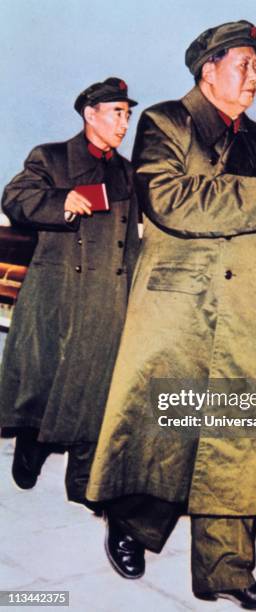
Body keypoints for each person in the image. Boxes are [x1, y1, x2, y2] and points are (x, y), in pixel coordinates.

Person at [87, 21, 256, 610]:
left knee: (236, 443)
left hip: (242, 314)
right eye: (244, 64)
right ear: (208, 70)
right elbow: (172, 200)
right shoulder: (165, 123)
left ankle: (227, 571)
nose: (255, 75)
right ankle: (131, 525)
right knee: (165, 433)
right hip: (178, 309)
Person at [0, 77, 140, 510]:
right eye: (116, 112)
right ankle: (31, 446)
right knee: (45, 388)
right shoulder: (51, 157)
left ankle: (82, 480)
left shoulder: (127, 171)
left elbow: (134, 240)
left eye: (127, 114)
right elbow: (15, 198)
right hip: (59, 293)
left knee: (97, 390)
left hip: (109, 298)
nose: (124, 123)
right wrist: (62, 201)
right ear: (90, 114)